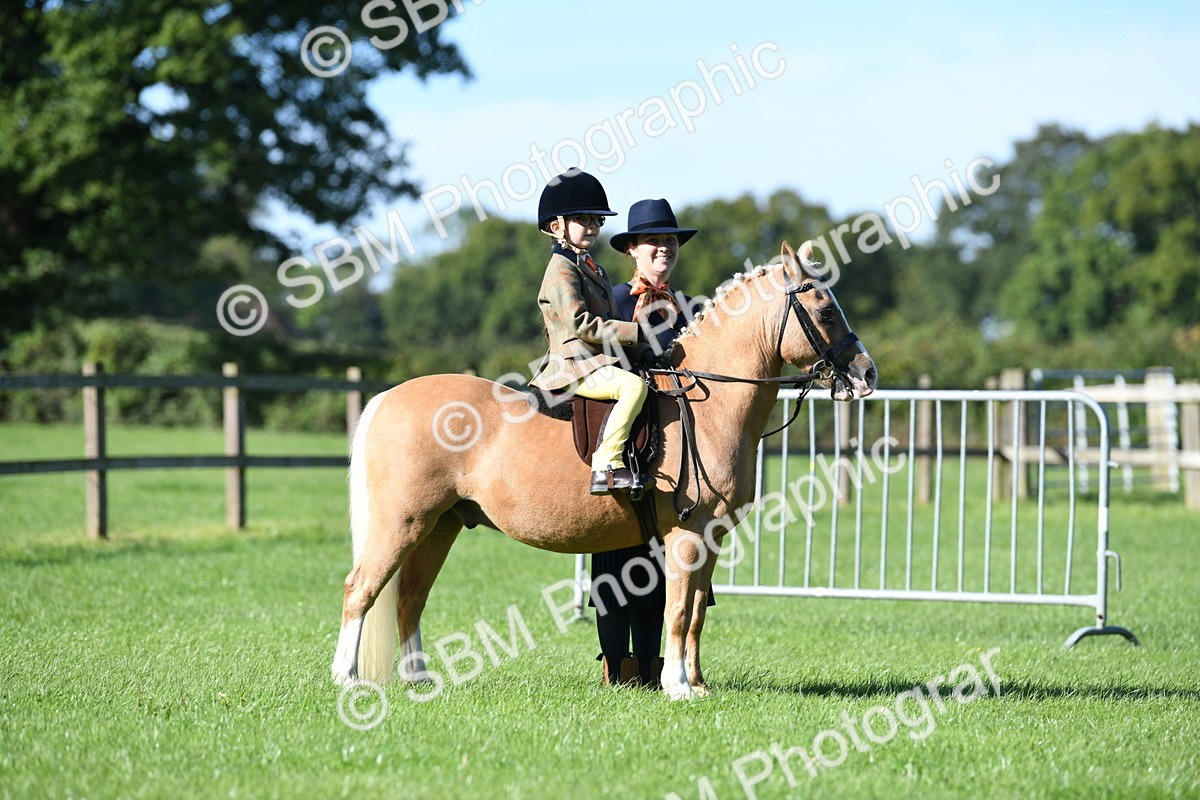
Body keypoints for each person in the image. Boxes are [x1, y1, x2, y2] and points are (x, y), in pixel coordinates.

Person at [590, 197, 712, 687]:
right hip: (626, 434)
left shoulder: (694, 309)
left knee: (667, 559)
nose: (664, 248)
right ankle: (615, 664)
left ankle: (657, 664)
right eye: (653, 241)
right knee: (616, 555)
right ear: (633, 250)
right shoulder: (613, 301)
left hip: (678, 443)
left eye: (670, 240)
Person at [528, 169, 648, 495]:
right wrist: (635, 332)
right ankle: (605, 466)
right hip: (572, 365)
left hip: (597, 361)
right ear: (557, 227)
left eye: (598, 221)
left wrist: (646, 351)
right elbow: (582, 325)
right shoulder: (560, 269)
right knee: (634, 388)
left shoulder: (593, 267)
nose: (593, 227)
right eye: (584, 220)